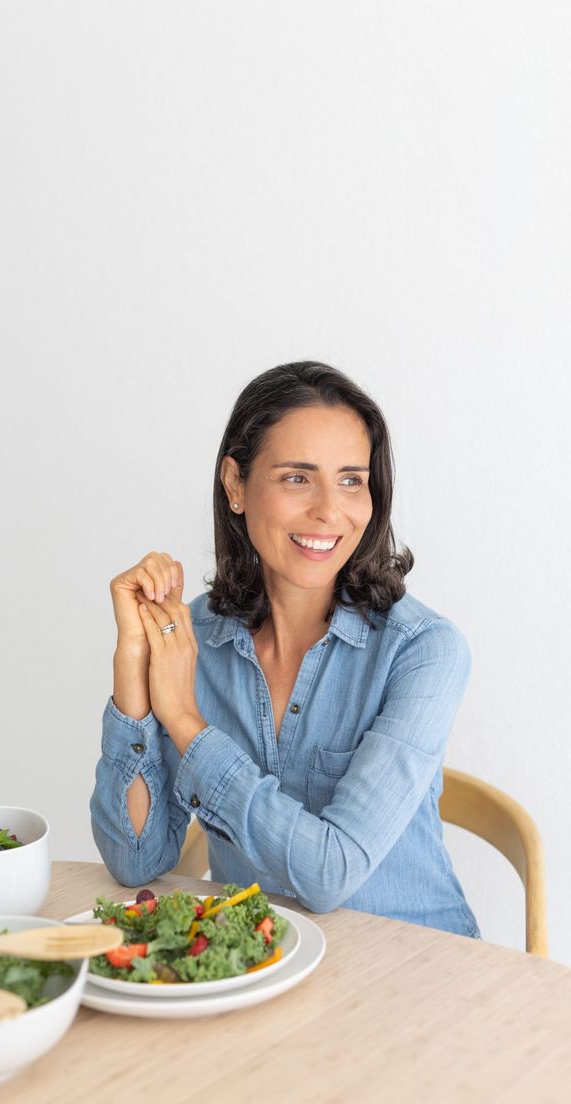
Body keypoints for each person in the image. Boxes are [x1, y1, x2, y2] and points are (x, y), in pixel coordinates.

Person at [90, 361, 481, 937]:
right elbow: (136, 860)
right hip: (264, 966)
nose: (329, 510)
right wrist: (133, 663)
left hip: (416, 965)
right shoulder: (193, 639)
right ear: (235, 485)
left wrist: (186, 723)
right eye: (298, 478)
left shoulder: (423, 651)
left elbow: (329, 873)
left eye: (351, 480)